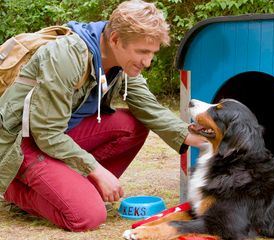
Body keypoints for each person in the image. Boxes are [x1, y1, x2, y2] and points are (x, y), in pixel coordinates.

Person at [0, 0, 205, 232]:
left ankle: (72, 189)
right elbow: (46, 132)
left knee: (132, 125)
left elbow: (149, 108)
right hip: (23, 142)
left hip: (60, 134)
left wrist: (189, 135)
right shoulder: (66, 56)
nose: (147, 62)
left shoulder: (121, 62)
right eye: (142, 52)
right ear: (116, 39)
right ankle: (13, 187)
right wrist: (95, 168)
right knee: (88, 216)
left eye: (152, 53)